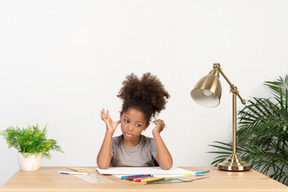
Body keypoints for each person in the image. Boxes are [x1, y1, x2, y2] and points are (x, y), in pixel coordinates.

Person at [97, 73, 173, 170]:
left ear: (146, 126)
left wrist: (156, 133)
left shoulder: (150, 144)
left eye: (138, 125)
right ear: (121, 117)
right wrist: (109, 132)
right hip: (119, 184)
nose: (130, 128)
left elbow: (167, 166)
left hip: (144, 184)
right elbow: (102, 165)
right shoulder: (113, 143)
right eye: (127, 121)